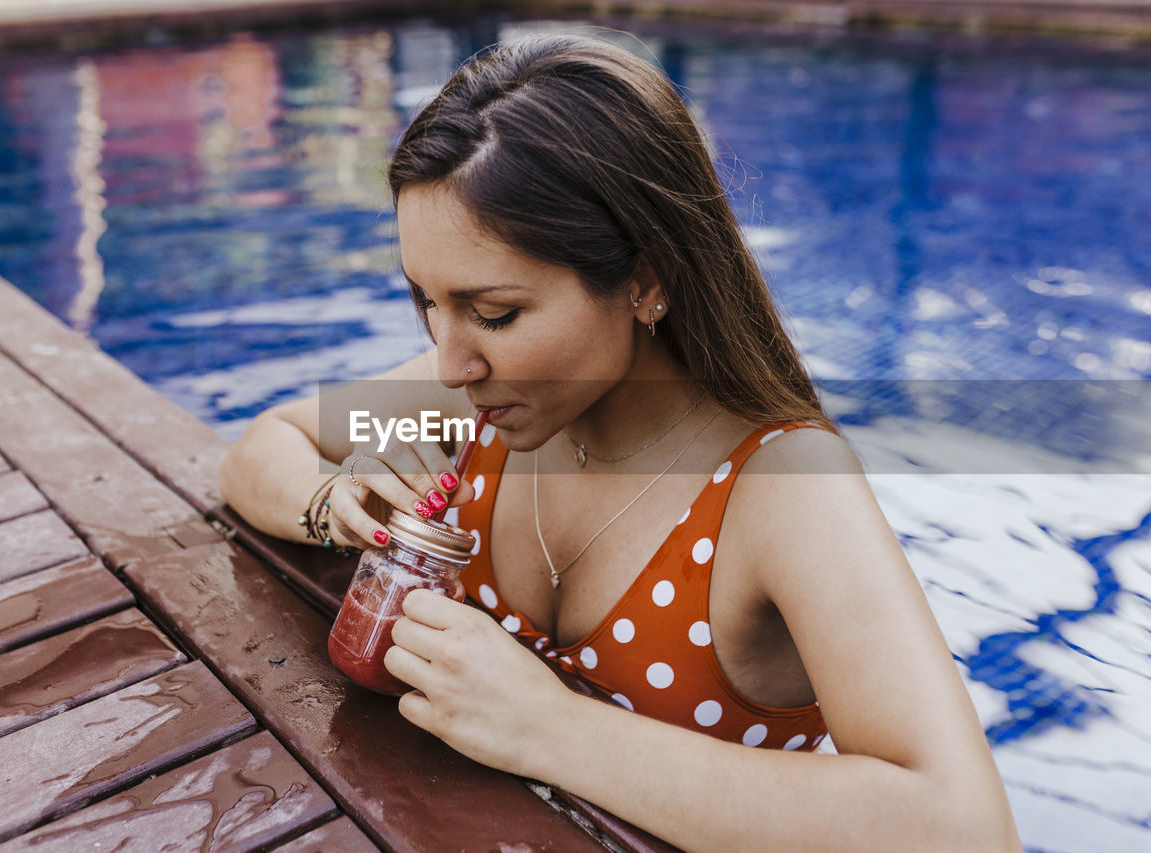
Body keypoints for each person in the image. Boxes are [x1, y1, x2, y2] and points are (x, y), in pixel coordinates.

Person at [218, 33, 1021, 851]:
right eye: (426, 300)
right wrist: (333, 505)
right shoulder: (479, 399)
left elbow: (962, 825)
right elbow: (262, 445)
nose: (452, 361)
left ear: (647, 278)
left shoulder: (782, 487)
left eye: (494, 312)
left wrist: (550, 727)